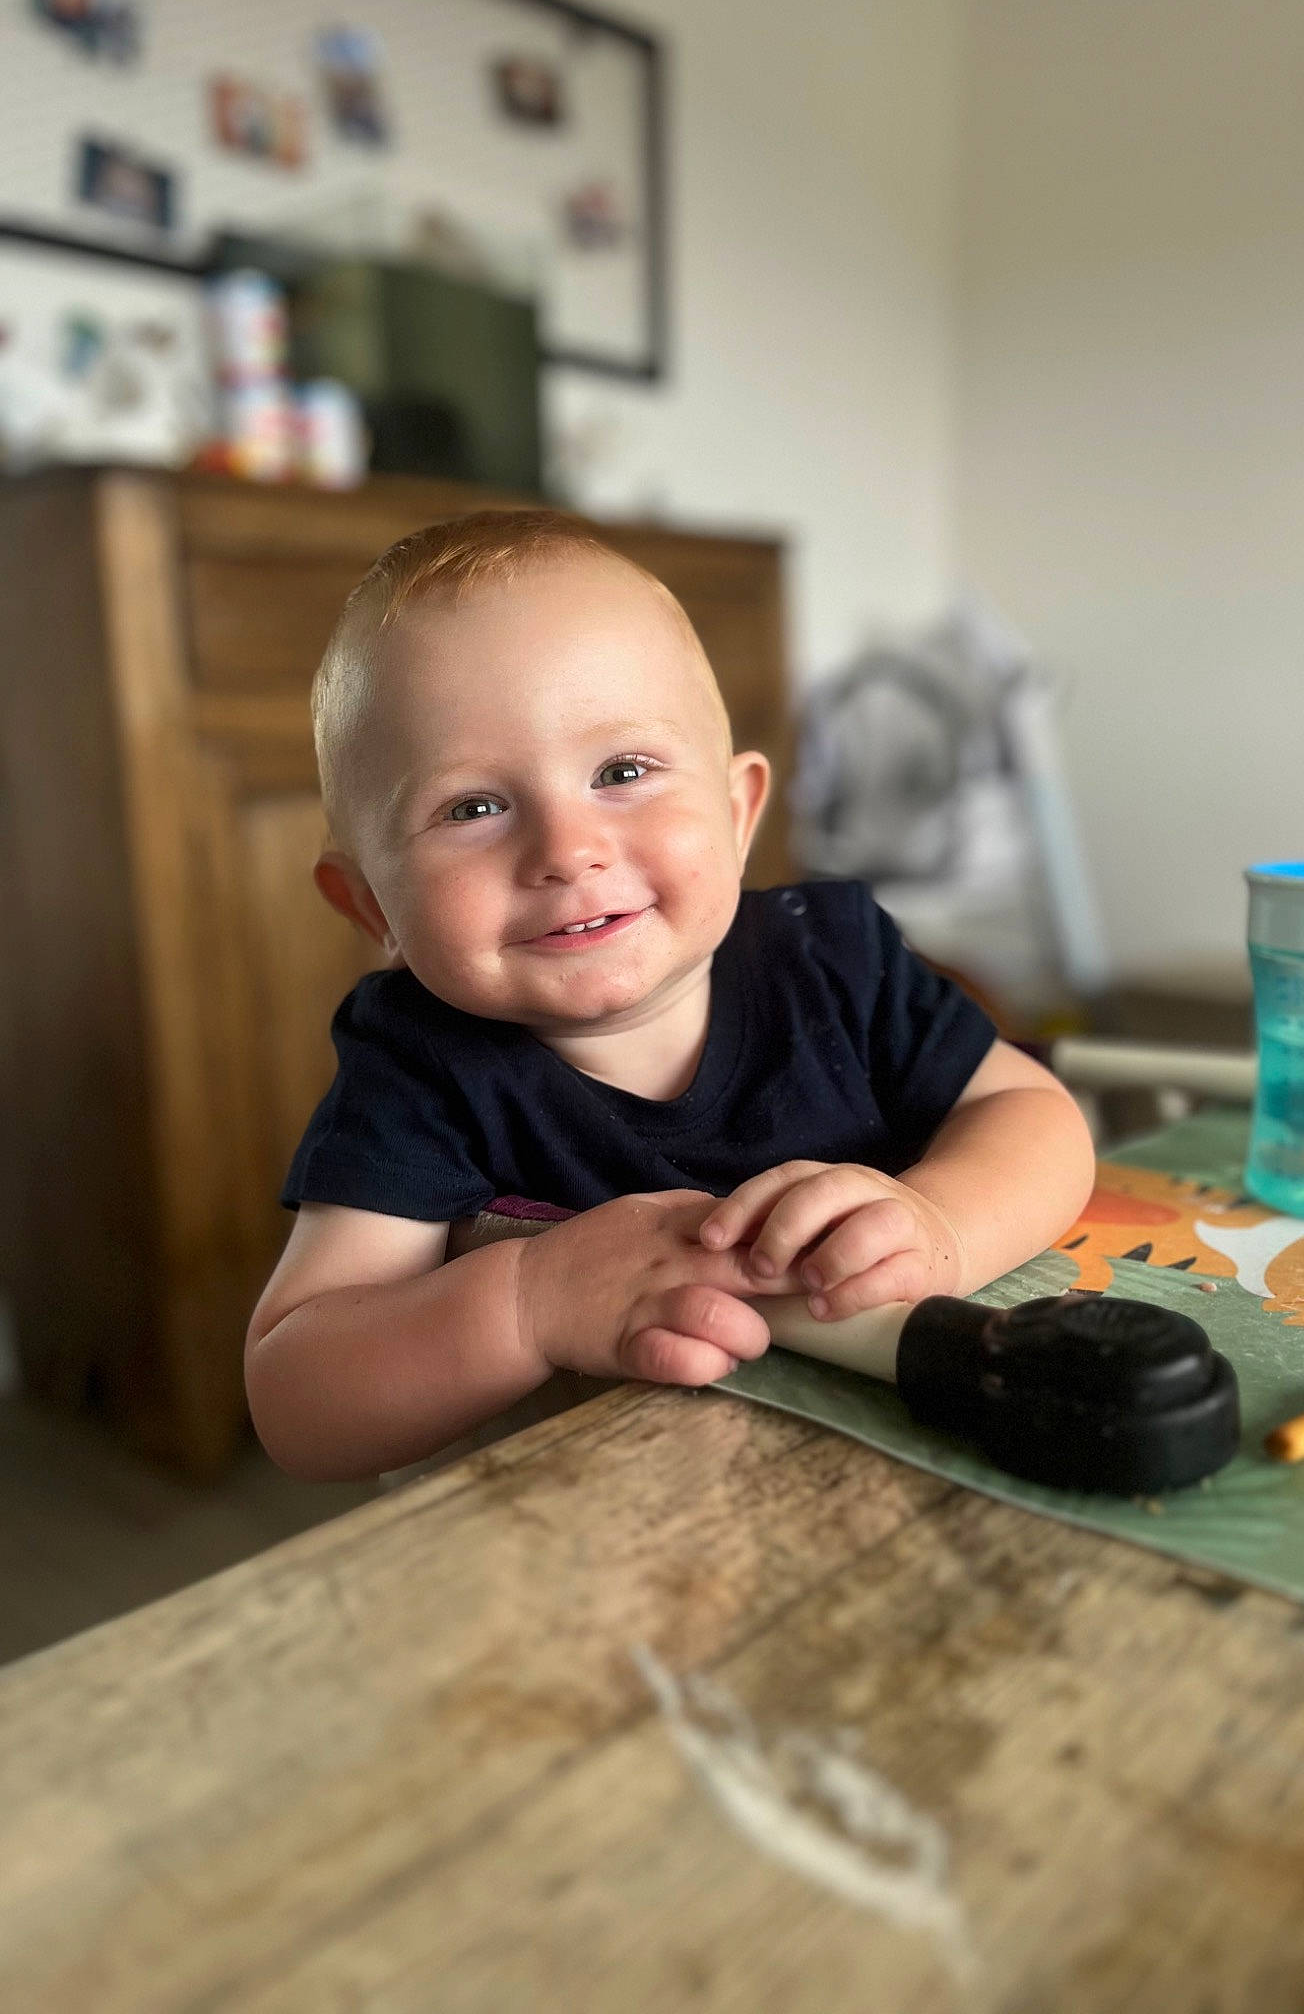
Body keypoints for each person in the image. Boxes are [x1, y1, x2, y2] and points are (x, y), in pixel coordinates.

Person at [246, 512, 1095, 1479]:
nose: (567, 850)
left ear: (738, 816)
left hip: (911, 1461)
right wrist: (528, 1300)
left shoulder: (833, 958)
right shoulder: (422, 1070)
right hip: (608, 1527)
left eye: (623, 771)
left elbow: (1031, 1112)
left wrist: (942, 1224)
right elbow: (296, 1396)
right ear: (368, 904)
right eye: (473, 807)